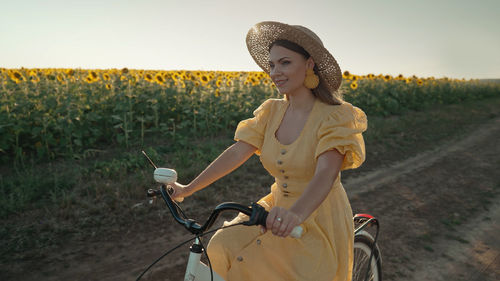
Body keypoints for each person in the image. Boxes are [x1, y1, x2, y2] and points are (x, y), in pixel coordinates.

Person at [170, 21, 367, 281]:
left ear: (309, 64)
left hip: (316, 212)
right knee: (221, 245)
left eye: (285, 63)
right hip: (276, 207)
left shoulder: (334, 117)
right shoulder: (271, 112)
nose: (275, 72)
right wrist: (187, 189)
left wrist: (295, 214)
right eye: (272, 65)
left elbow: (326, 173)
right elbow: (237, 152)